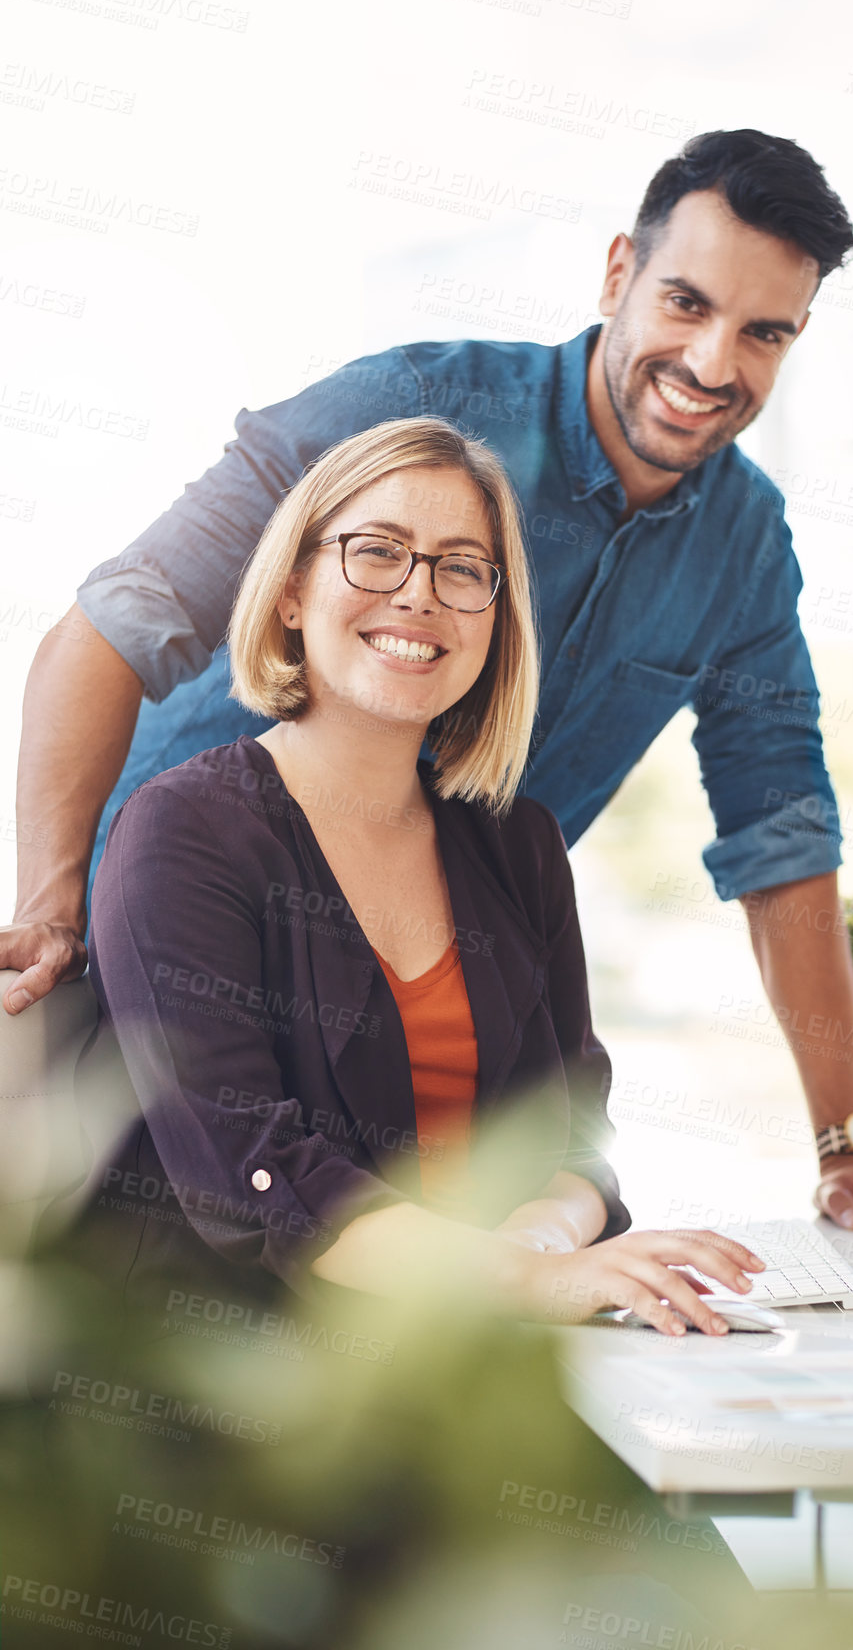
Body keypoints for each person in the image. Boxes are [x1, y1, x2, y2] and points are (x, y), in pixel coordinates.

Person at [3, 128, 853, 1240]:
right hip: (168, 965)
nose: (713, 364)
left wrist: (843, 1142)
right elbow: (115, 621)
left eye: (762, 333)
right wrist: (51, 901)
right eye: (684, 304)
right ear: (618, 272)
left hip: (408, 1018)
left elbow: (783, 832)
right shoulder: (412, 405)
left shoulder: (744, 548)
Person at [71, 415, 764, 1335]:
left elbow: (572, 1141)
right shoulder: (181, 833)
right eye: (377, 552)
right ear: (290, 592)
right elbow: (252, 1175)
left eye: (462, 568)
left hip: (457, 1362)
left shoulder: (519, 843)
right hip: (237, 1395)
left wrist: (542, 1255)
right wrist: (519, 1281)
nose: (418, 594)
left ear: (494, 615)